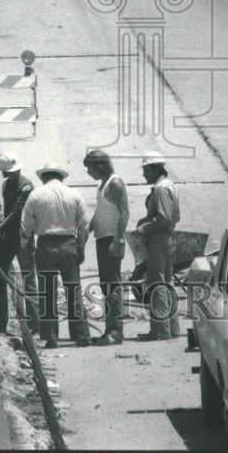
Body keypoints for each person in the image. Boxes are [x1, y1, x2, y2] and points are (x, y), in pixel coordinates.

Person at [20, 163, 91, 349]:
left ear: (44, 177)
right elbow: (83, 226)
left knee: (48, 292)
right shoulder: (74, 194)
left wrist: (25, 250)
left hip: (45, 245)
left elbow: (26, 227)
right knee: (73, 290)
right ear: (61, 177)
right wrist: (81, 249)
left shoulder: (36, 195)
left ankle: (51, 337)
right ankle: (81, 335)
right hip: (69, 244)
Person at [0, 152, 38, 336]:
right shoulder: (6, 185)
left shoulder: (27, 187)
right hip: (8, 237)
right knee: (0, 277)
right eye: (10, 172)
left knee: (28, 279)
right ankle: (0, 322)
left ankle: (34, 325)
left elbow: (16, 213)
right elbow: (7, 213)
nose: (14, 174)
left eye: (15, 171)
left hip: (23, 237)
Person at [83, 148, 129, 346]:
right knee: (106, 285)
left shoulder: (115, 183)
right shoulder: (103, 185)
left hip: (111, 239)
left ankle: (115, 332)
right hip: (102, 239)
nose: (88, 173)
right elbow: (101, 212)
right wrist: (88, 230)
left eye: (90, 168)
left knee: (112, 286)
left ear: (100, 165)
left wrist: (117, 240)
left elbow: (125, 213)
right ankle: (110, 329)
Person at [136, 151, 181, 341]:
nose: (144, 174)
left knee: (156, 284)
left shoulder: (161, 188)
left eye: (146, 170)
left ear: (156, 169)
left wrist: (144, 228)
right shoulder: (168, 185)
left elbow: (163, 217)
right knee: (167, 282)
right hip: (168, 238)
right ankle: (172, 328)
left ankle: (160, 331)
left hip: (158, 239)